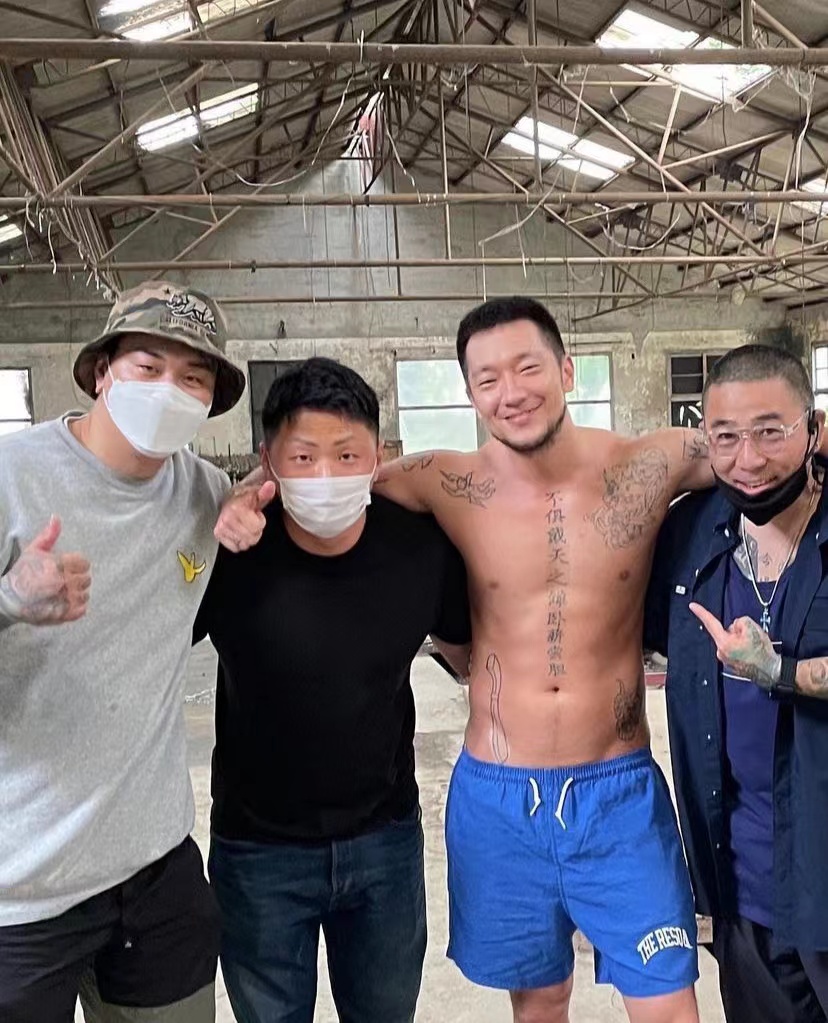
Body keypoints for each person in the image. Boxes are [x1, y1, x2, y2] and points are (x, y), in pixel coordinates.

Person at [215, 296, 716, 1023]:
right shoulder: (442, 480)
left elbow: (755, 446)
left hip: (617, 787)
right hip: (499, 793)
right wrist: (239, 496)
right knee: (538, 1000)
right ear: (470, 393)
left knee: (668, 1004)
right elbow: (322, 476)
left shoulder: (652, 462)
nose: (511, 392)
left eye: (527, 368)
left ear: (567, 370)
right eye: (487, 379)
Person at [194, 357, 471, 1023]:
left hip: (384, 843)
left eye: (347, 454)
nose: (325, 475)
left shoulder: (419, 549)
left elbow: (470, 656)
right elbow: (149, 636)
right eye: (303, 456)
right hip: (258, 851)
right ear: (268, 461)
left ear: (379, 456)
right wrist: (206, 533)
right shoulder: (227, 552)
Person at [0, 281, 246, 1023]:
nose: (169, 389)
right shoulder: (12, 475)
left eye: (193, 377)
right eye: (148, 366)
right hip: (20, 886)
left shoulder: (207, 493)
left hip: (155, 869)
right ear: (102, 371)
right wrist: (9, 600)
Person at [645, 344, 828, 1023]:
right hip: (746, 884)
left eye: (771, 431)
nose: (748, 459)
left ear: (813, 427)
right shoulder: (691, 531)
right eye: (725, 436)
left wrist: (779, 671)